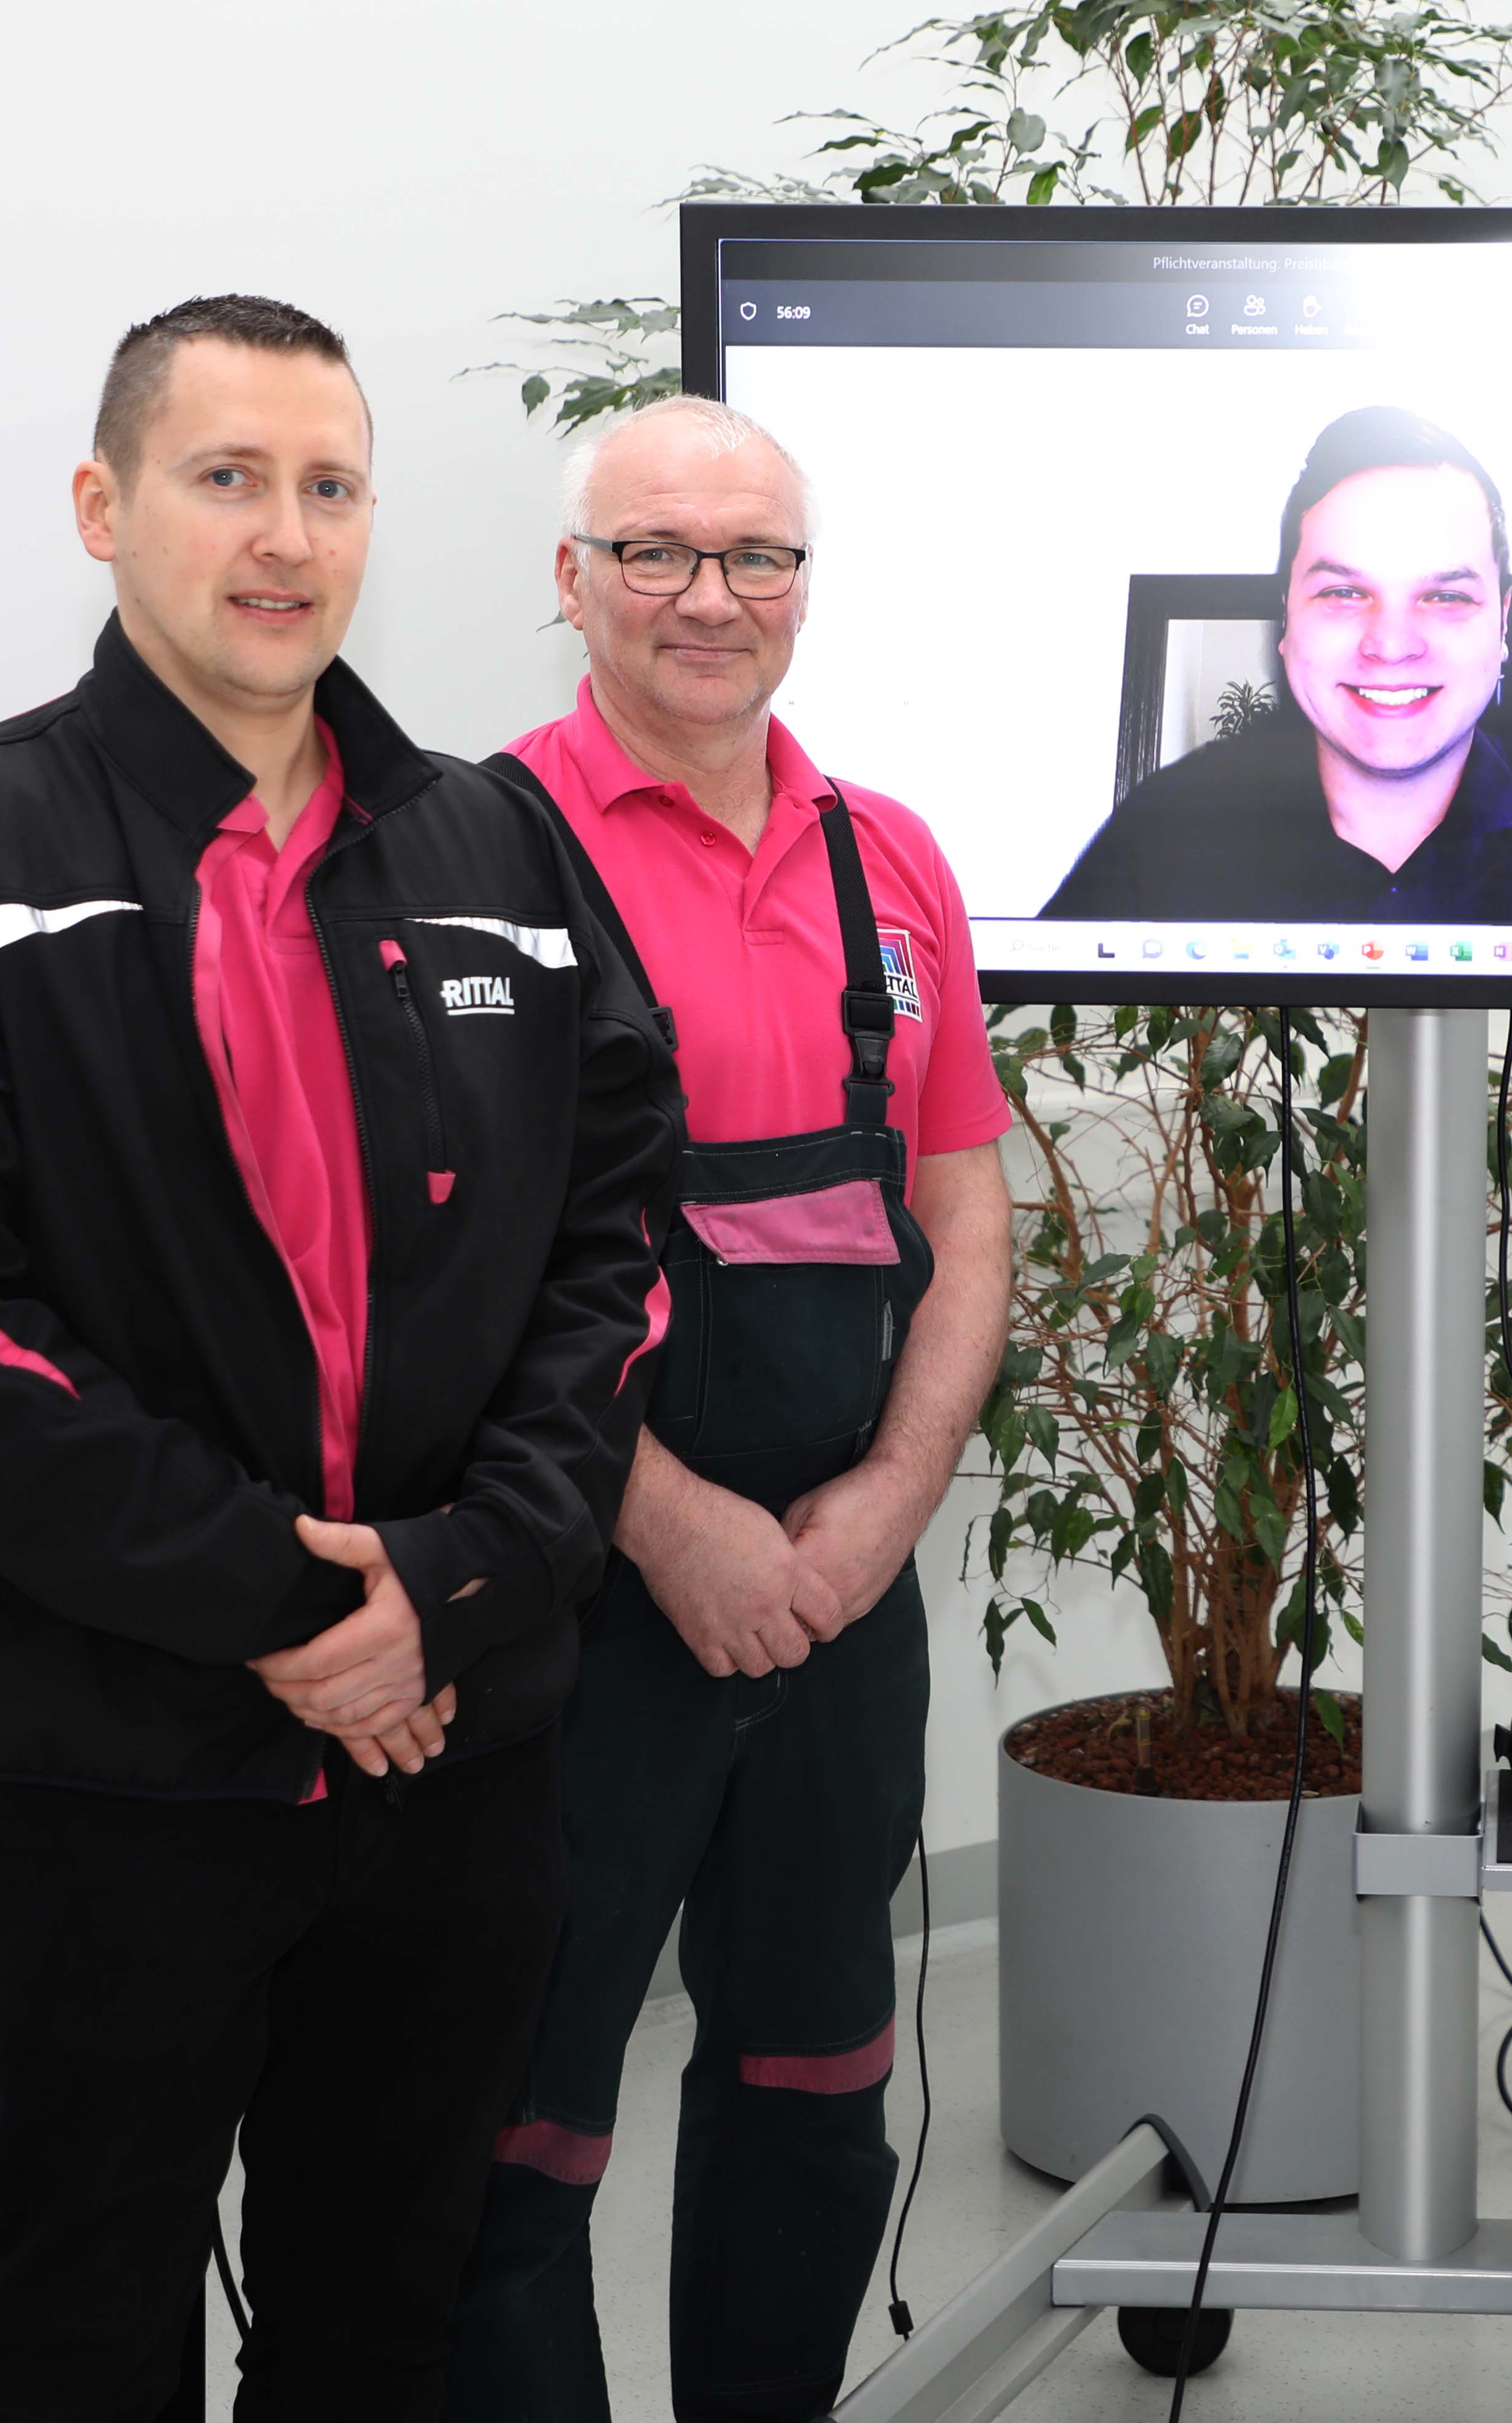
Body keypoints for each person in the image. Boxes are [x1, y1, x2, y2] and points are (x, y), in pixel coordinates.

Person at [0, 294, 683, 2417]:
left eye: (330, 486)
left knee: (383, 2322)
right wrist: (299, 1606)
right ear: (102, 509)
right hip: (111, 1760)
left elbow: (618, 1251)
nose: (286, 536)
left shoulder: (500, 850)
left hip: (453, 1754)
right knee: (73, 2333)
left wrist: (449, 1581)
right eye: (227, 478)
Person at [448, 396, 1016, 2423]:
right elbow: (452, 1274)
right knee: (516, 2124)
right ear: (572, 578)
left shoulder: (893, 857)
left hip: (843, 1583)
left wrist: (892, 1499)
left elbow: (960, 1203)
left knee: (814, 2082)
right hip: (580, 1590)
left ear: (802, 582)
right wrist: (672, 1521)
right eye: (657, 552)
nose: (711, 597)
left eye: (756, 554)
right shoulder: (463, 862)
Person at [1038, 405, 1512, 925]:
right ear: (1286, 617)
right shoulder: (1159, 839)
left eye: (1446, 596)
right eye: (1343, 593)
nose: (1390, 645)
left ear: (1503, 624)